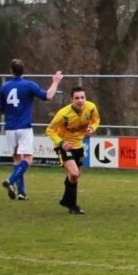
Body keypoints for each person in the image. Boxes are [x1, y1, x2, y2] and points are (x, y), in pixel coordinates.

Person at [0, 59, 63, 201]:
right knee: (28, 158)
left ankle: (21, 193)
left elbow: (1, 109)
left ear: (11, 71)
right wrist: (55, 81)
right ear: (23, 70)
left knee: (17, 159)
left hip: (10, 128)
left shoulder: (4, 87)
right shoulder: (29, 85)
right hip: (24, 127)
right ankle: (10, 180)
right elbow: (48, 96)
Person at [45, 86, 99, 215]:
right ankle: (73, 206)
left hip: (78, 145)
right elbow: (49, 130)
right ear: (71, 100)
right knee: (74, 173)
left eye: (82, 97)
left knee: (74, 177)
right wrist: (62, 143)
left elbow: (96, 120)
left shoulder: (91, 107)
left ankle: (66, 201)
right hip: (64, 146)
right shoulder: (63, 114)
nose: (80, 100)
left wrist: (92, 128)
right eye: (77, 98)